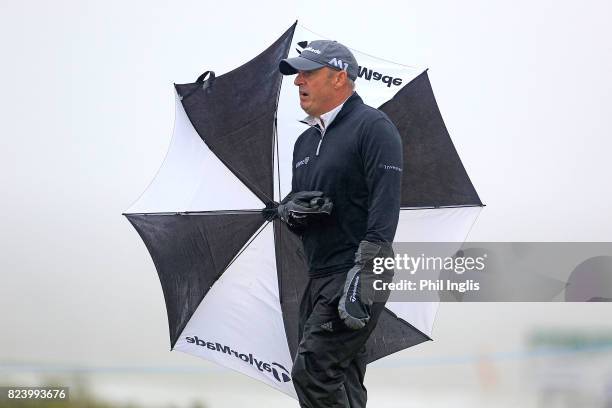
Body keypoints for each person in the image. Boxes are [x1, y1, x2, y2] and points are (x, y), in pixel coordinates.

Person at [275, 40, 403, 407]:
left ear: (339, 77)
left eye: (308, 72)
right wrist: (292, 213)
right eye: (297, 74)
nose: (298, 81)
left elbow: (386, 203)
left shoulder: (373, 127)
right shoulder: (303, 142)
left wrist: (365, 270)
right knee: (342, 379)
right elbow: (307, 213)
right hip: (318, 274)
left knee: (312, 371)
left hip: (360, 269)